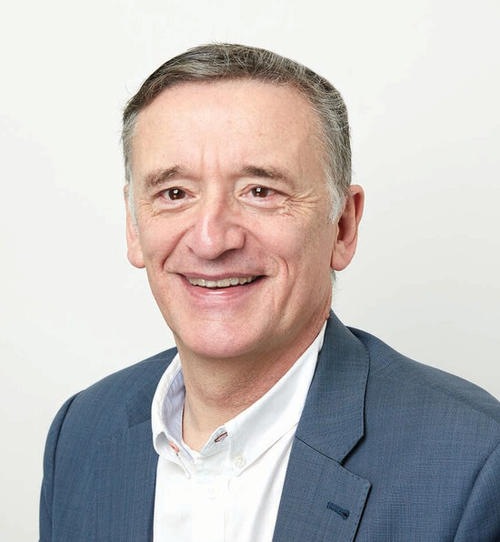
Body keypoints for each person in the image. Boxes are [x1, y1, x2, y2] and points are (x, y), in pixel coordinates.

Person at [39, 43, 500, 542]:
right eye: (175, 194)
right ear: (134, 226)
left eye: (260, 191)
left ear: (342, 227)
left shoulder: (475, 462)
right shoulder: (81, 433)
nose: (212, 240)